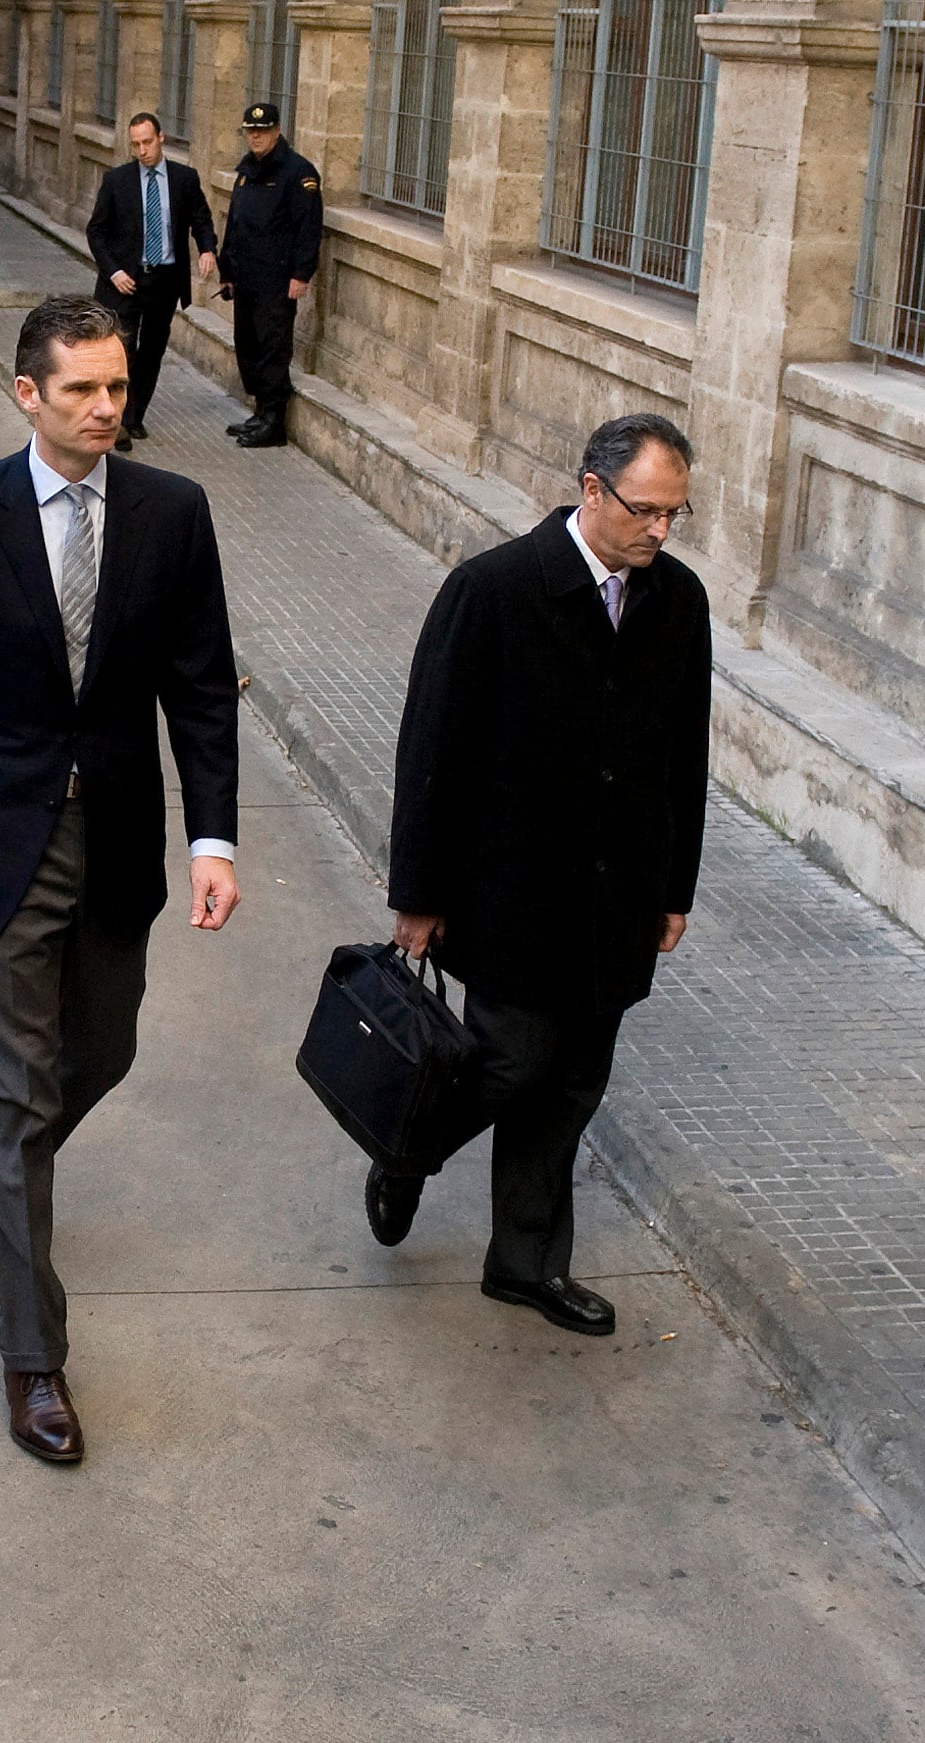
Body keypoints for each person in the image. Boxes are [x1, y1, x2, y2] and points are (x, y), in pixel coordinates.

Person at [0, 295, 242, 1465]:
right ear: (27, 392)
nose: (102, 409)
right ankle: (33, 1358)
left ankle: (10, 1168)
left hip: (118, 840)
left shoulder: (172, 514)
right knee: (15, 1090)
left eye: (117, 388)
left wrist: (213, 841)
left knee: (105, 1049)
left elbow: (199, 685)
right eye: (80, 389)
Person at [373, 413, 712, 1335]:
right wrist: (418, 894)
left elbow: (687, 754)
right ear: (592, 491)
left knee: (573, 1083)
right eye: (646, 511)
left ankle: (525, 1265)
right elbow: (431, 751)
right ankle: (405, 1151)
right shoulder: (493, 589)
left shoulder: (679, 601)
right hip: (509, 893)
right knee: (514, 1062)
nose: (660, 532)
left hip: (620, 897)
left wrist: (675, 888)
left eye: (676, 515)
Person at [84, 112, 216, 451]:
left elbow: (201, 219)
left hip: (165, 282)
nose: (142, 150)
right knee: (122, 351)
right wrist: (114, 272)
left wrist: (207, 249)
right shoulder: (118, 180)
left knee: (152, 350)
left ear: (161, 137)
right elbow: (96, 232)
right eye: (135, 145)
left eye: (147, 142)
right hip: (125, 282)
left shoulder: (185, 179)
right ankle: (117, 421)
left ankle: (134, 417)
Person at [218, 101, 322, 448]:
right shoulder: (247, 170)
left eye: (262, 131)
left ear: (277, 131)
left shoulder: (298, 173)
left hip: (277, 281)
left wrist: (301, 274)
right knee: (248, 344)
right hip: (246, 277)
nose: (256, 137)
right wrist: (226, 269)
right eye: (251, 131)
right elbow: (235, 223)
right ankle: (260, 411)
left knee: (272, 348)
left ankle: (274, 421)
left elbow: (308, 228)